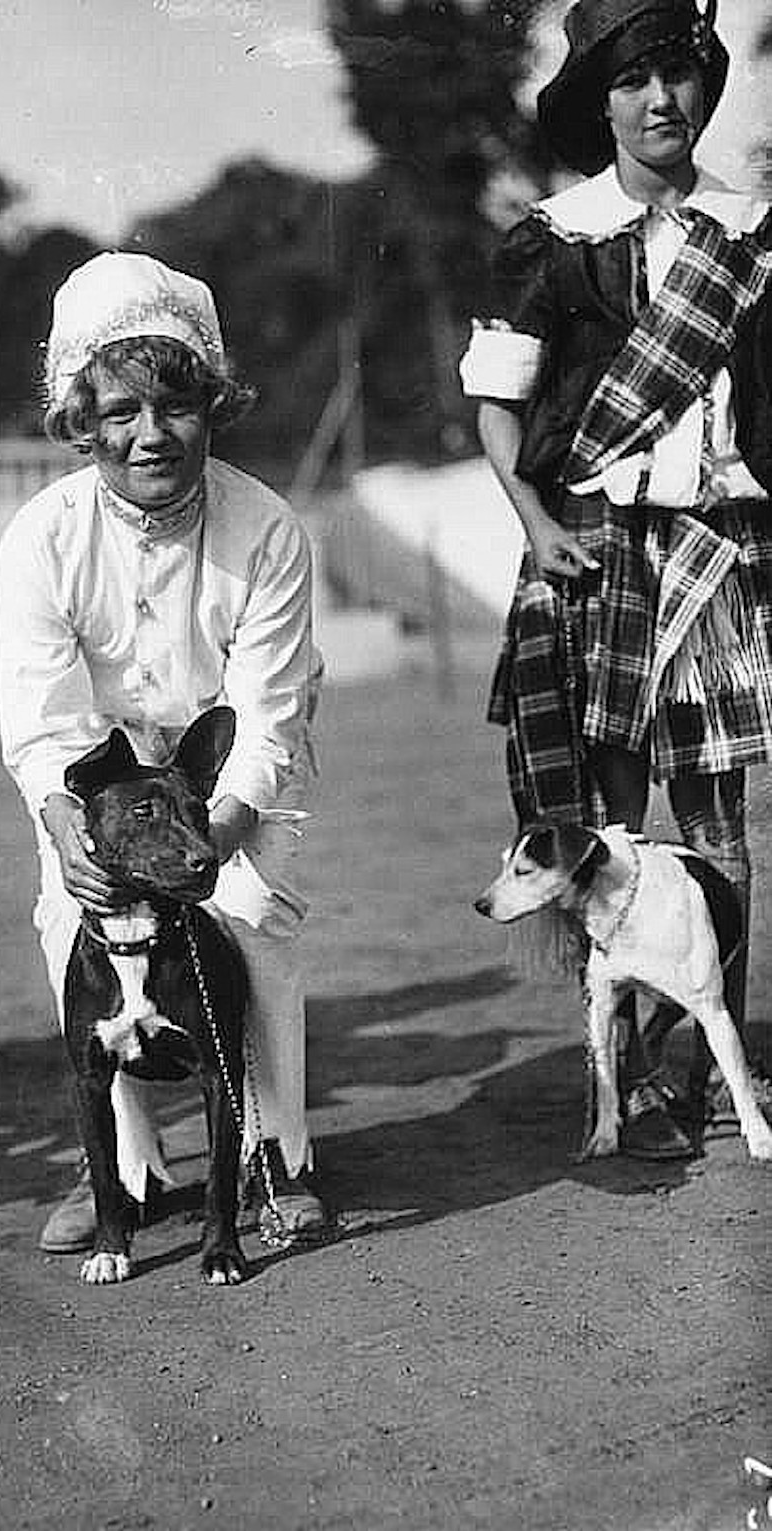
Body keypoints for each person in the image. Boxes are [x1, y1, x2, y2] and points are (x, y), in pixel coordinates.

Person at [460, 0, 772, 1157]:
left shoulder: (756, 231)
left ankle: (710, 1055)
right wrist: (534, 523)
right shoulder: (555, 236)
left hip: (725, 547)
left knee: (716, 816)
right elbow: (500, 400)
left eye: (682, 77)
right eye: (636, 81)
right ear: (602, 100)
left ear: (703, 90)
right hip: (596, 544)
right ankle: (627, 1069)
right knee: (609, 815)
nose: (662, 102)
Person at [0, 252, 329, 1252]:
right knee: (71, 915)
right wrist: (70, 832)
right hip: (99, 800)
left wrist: (209, 844)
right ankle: (125, 1173)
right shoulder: (41, 539)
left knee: (253, 909)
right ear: (81, 422)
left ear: (212, 407)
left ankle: (280, 1152)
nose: (151, 435)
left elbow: (268, 720)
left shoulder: (266, 527)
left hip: (226, 791)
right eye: (122, 412)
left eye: (176, 406)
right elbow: (43, 722)